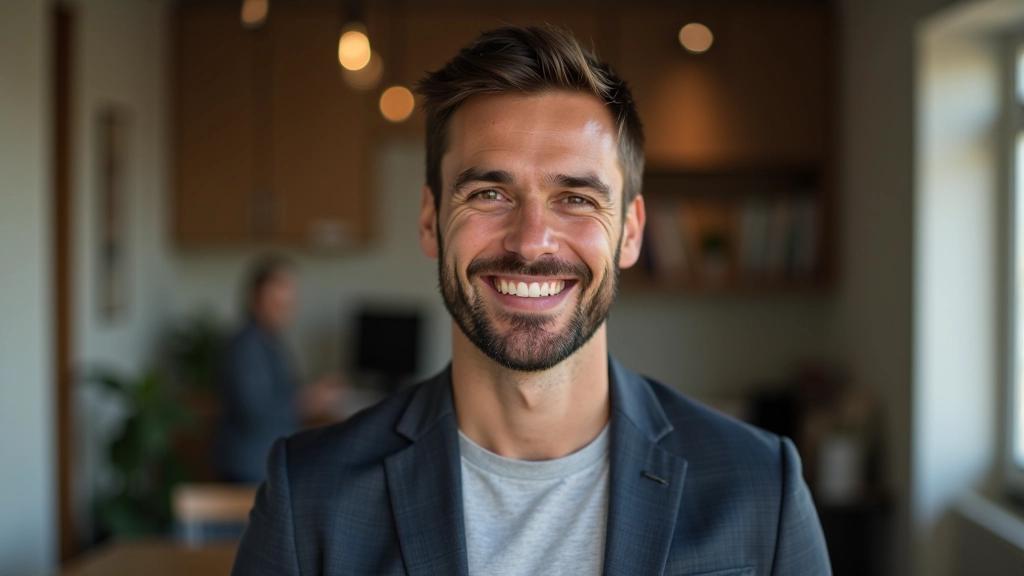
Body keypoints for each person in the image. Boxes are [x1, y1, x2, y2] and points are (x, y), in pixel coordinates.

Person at [232, 25, 831, 575]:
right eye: (490, 192)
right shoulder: (309, 494)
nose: (530, 242)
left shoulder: (760, 487)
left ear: (629, 231)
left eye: (576, 198)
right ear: (429, 220)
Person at [215, 255, 341, 483]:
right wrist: (308, 400)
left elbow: (279, 391)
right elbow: (255, 413)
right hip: (249, 468)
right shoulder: (247, 347)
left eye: (289, 303)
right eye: (276, 302)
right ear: (255, 298)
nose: (284, 310)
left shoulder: (270, 341)